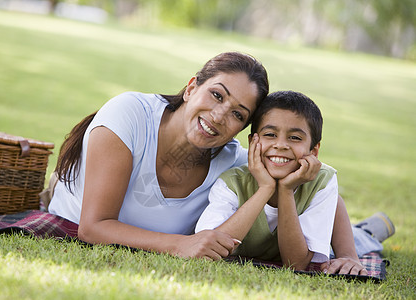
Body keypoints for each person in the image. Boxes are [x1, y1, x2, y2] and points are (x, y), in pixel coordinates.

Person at [47, 51, 385, 274]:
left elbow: (322, 186)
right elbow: (93, 227)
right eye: (217, 95)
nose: (220, 116)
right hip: (75, 213)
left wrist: (350, 256)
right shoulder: (130, 115)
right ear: (192, 87)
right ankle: (367, 231)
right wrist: (181, 244)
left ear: (244, 129)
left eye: (238, 114)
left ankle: (364, 233)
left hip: (318, 225)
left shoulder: (232, 160)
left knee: (313, 222)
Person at [195, 91, 395, 272]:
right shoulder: (231, 183)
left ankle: (370, 230)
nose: (280, 145)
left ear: (313, 151)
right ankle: (365, 228)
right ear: (252, 142)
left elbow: (297, 264)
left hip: (320, 235)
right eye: (270, 134)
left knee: (359, 241)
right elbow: (209, 247)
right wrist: (266, 188)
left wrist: (286, 189)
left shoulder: (322, 181)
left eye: (295, 138)